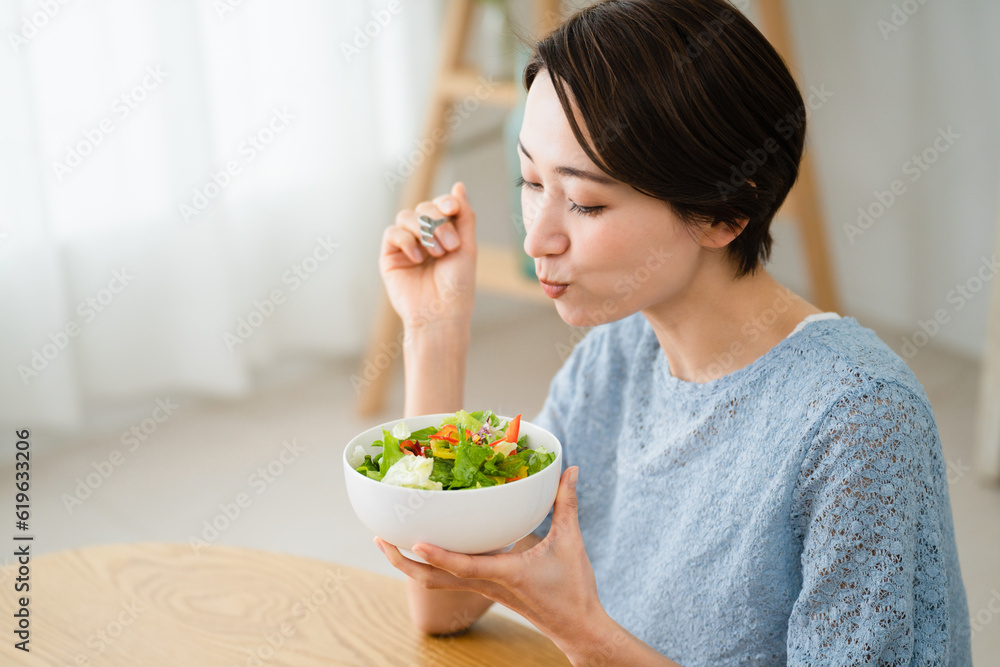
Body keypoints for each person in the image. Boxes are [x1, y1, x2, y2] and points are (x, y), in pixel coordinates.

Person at [375, 0, 972, 664]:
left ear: (724, 213)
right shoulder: (616, 357)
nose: (536, 236)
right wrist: (433, 333)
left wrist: (579, 627)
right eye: (531, 179)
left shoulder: (859, 421)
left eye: (586, 202)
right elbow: (445, 600)